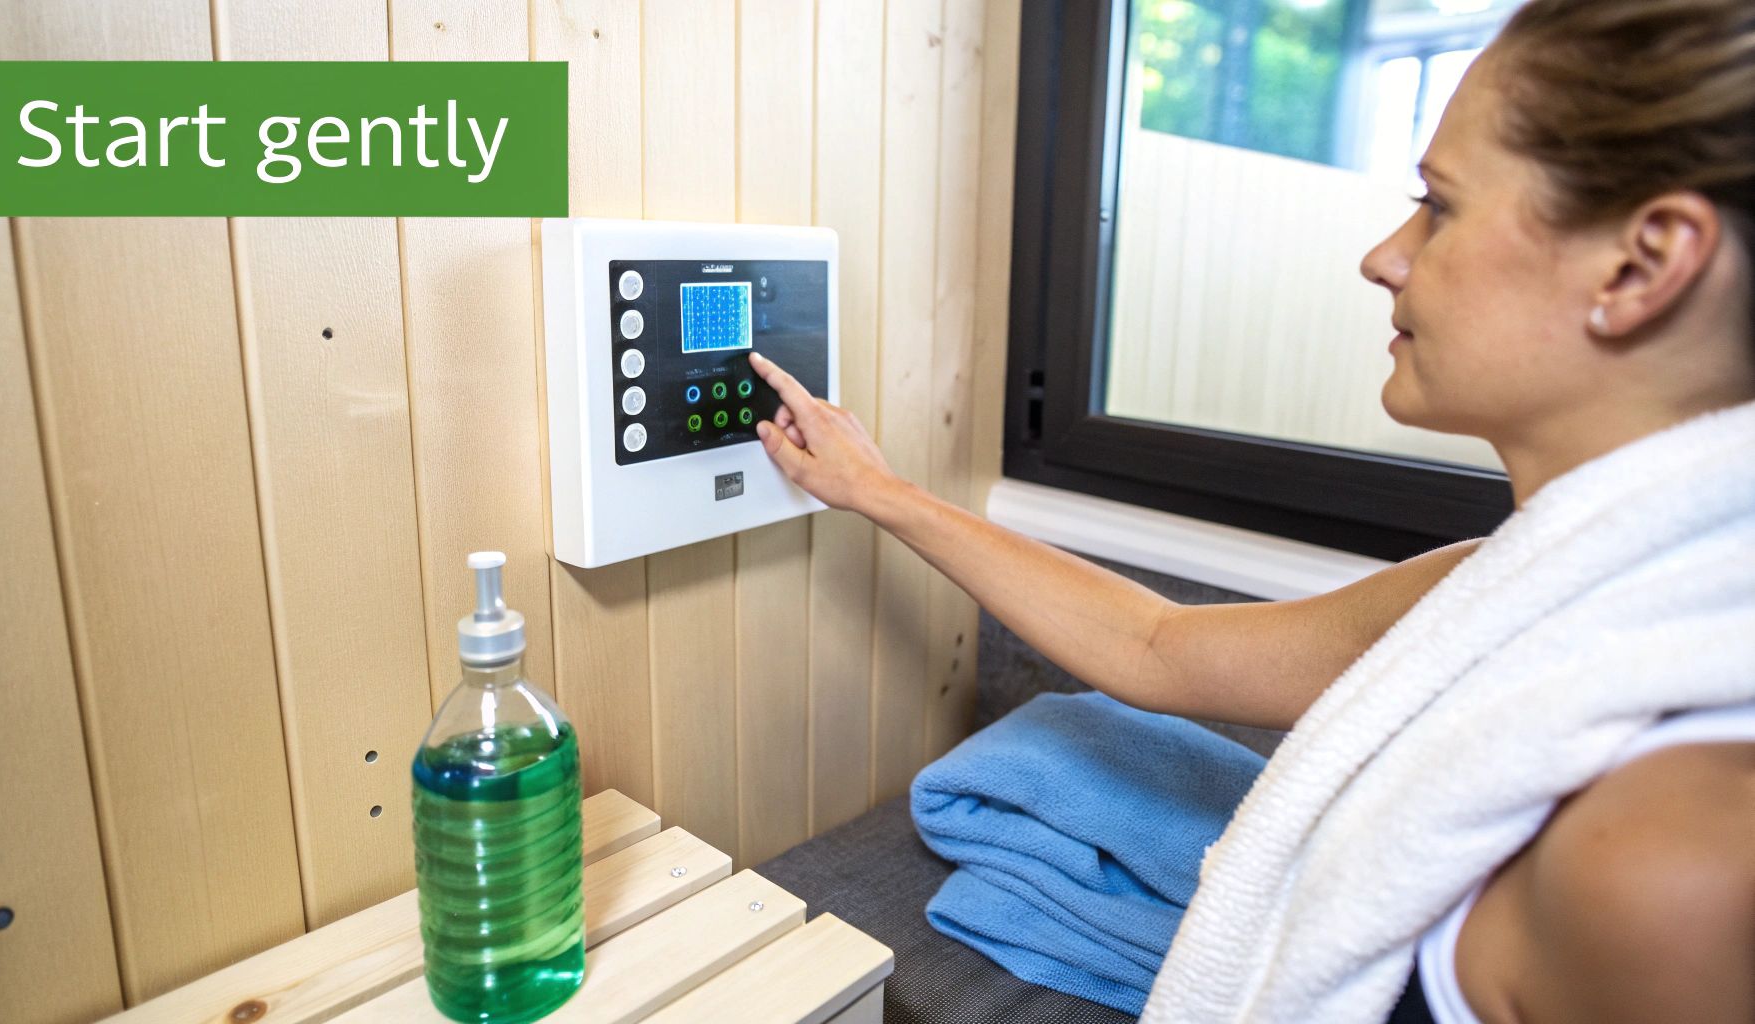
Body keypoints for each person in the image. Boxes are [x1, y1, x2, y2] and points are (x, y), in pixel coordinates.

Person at [744, 0, 1755, 1020]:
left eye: (1439, 206)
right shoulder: (1497, 591)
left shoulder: (1676, 861)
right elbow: (1157, 644)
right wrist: (879, 491)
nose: (1384, 256)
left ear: (1640, 263)